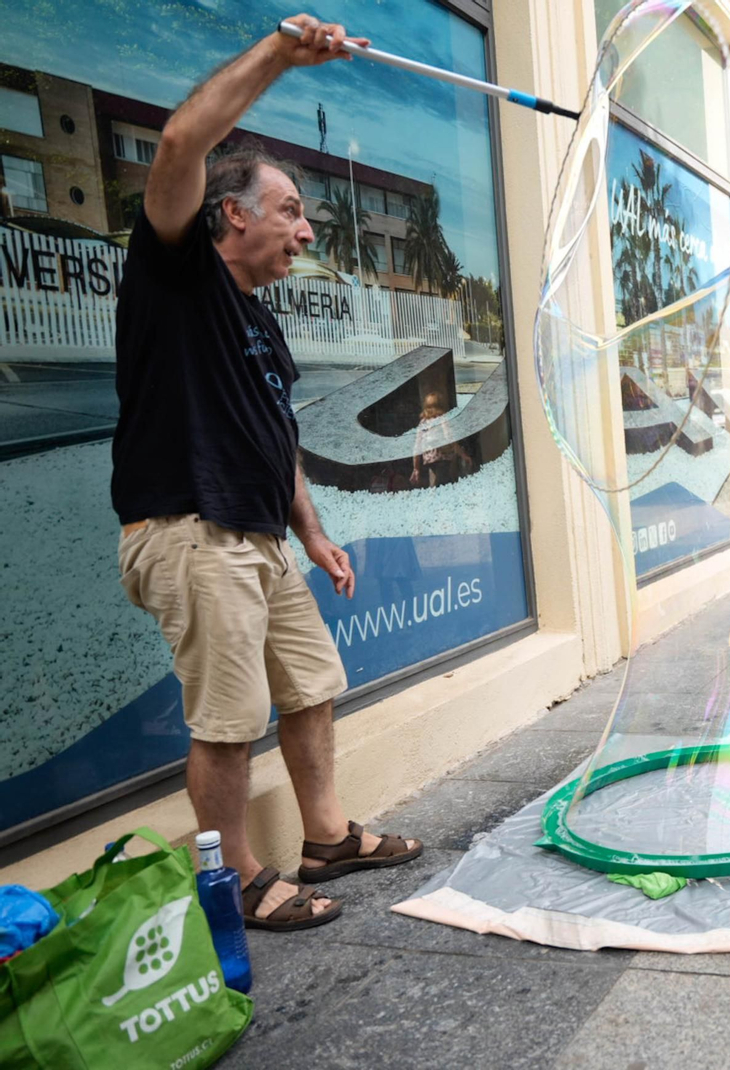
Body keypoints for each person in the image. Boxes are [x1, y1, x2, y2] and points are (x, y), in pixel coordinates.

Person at [112, 15, 421, 933]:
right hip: (190, 529)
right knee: (227, 718)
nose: (306, 230)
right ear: (231, 212)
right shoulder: (174, 270)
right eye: (291, 211)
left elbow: (274, 432)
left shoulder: (261, 322)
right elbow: (180, 139)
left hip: (259, 533)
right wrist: (282, 56)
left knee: (312, 683)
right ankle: (240, 877)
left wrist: (312, 529)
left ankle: (325, 835)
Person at [411, 391, 471, 487]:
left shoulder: (423, 422)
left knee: (439, 480)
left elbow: (417, 446)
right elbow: (449, 437)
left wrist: (416, 468)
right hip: (442, 456)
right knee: (444, 482)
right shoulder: (442, 419)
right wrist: (462, 454)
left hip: (429, 459)